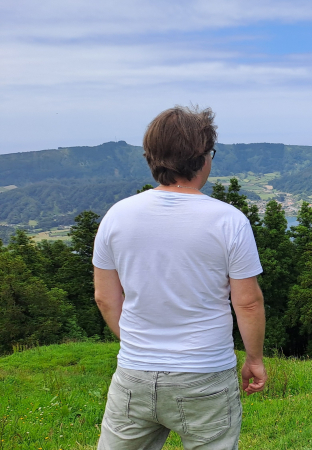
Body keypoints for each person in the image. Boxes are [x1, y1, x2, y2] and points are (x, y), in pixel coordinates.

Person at [93, 106, 266, 449]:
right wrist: (254, 359)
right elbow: (247, 302)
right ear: (203, 159)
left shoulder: (116, 216)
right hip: (205, 374)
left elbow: (105, 298)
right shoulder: (228, 221)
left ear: (151, 158)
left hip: (134, 373)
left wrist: (136, 342)